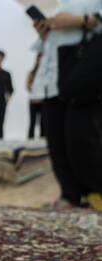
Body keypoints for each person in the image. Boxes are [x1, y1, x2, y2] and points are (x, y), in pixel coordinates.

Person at [31, 2, 102, 210]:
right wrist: (45, 32)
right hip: (54, 80)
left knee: (82, 139)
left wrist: (82, 21)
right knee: (57, 141)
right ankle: (70, 194)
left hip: (83, 76)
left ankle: (96, 192)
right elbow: (48, 46)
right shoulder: (62, 3)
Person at [26, 54, 45, 139]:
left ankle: (43, 138)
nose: (39, 62)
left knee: (43, 122)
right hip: (33, 101)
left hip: (43, 101)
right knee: (32, 121)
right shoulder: (32, 72)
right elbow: (27, 85)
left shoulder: (46, 73)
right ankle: (30, 138)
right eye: (38, 60)